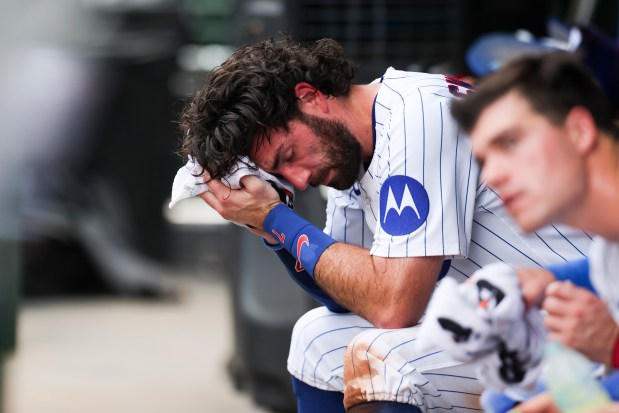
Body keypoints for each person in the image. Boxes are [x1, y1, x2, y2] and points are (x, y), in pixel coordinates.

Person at [179, 36, 591, 412]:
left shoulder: (416, 118)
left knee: (387, 357)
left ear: (309, 97)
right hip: (513, 318)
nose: (299, 180)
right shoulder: (350, 155)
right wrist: (269, 229)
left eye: (288, 155)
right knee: (316, 340)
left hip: (587, 322)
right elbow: (346, 297)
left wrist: (276, 219)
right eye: (281, 174)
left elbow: (394, 307)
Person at [450, 51, 619, 412]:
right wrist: (543, 279)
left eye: (509, 142)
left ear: (579, 131)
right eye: (483, 159)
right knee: (501, 398)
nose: (491, 175)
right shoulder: (608, 246)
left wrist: (614, 348)